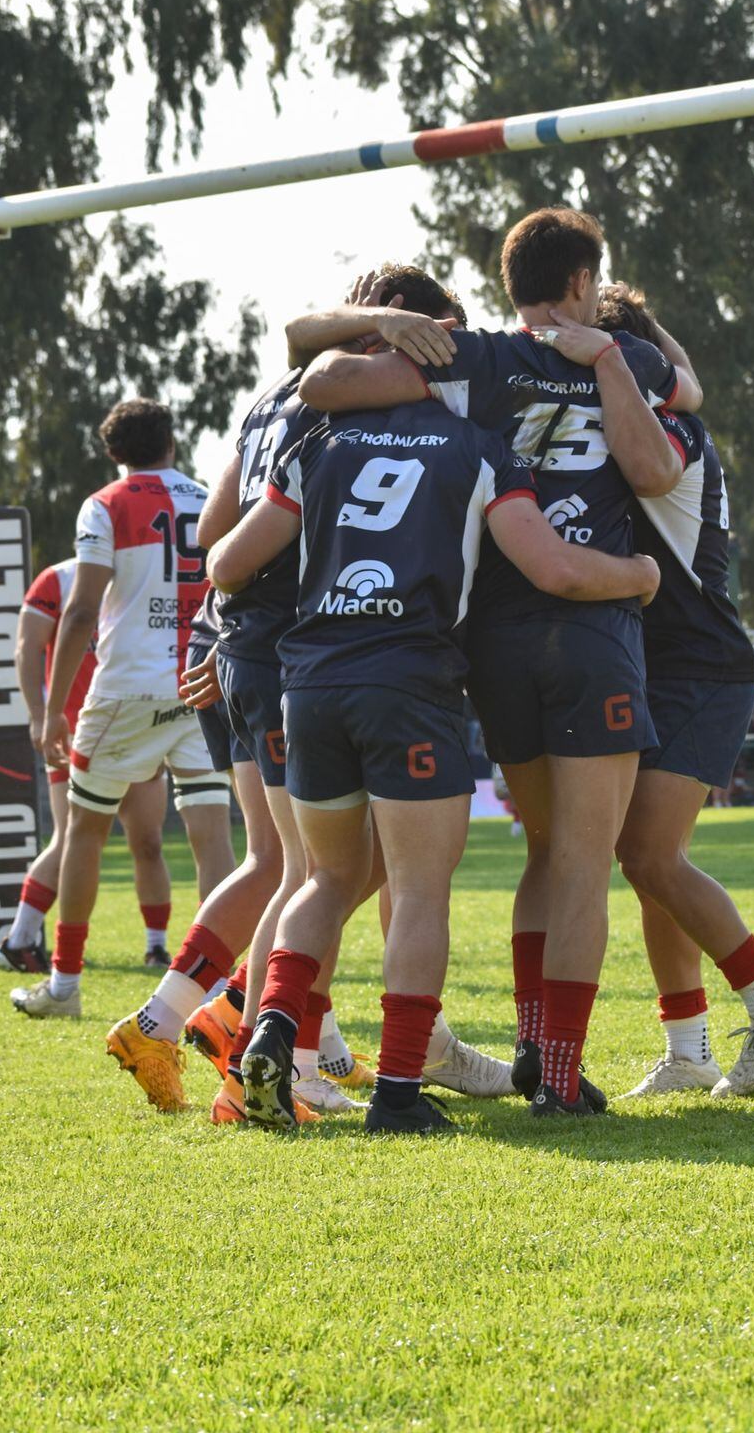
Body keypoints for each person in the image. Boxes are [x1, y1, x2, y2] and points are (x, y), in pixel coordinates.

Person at [300, 207, 696, 1116]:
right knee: (583, 863)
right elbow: (658, 467)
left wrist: (387, 331)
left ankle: (530, 1044)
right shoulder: (623, 360)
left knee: (545, 848)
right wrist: (604, 355)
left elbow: (324, 383)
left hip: (494, 641)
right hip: (591, 625)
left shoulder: (470, 356)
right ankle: (556, 1072)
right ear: (583, 284)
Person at [106, 272, 516, 1117]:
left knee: (316, 866)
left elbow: (219, 533)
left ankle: (274, 1030)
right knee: (309, 869)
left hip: (258, 642)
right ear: (398, 342)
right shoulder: (341, 413)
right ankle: (246, 1037)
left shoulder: (272, 400)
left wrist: (222, 631)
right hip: (304, 652)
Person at [209, 393, 658, 1134]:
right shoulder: (479, 444)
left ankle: (273, 1034)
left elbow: (226, 562)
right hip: (409, 683)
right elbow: (552, 568)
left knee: (325, 878)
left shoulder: (318, 439)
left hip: (310, 683)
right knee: (418, 890)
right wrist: (638, 575)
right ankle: (396, 1093)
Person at [569, 283, 754, 1099]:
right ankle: (687, 1049)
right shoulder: (664, 406)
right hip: (664, 667)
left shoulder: (661, 432)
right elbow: (679, 368)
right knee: (646, 861)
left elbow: (666, 392)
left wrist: (610, 346)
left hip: (702, 670)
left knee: (646, 854)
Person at [11, 398, 236, 1020]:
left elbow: (81, 610)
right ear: (171, 440)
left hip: (128, 687)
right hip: (199, 678)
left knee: (83, 829)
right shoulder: (211, 495)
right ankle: (216, 989)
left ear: (114, 454)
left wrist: (54, 708)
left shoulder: (105, 504)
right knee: (211, 836)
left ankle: (64, 986)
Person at [0, 556, 175, 973]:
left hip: (138, 724)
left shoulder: (146, 570)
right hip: (76, 732)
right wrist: (40, 715)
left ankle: (157, 947)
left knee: (148, 842)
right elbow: (26, 647)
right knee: (70, 837)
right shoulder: (56, 578)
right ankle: (19, 940)